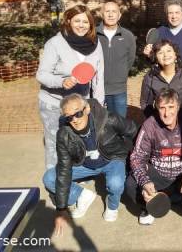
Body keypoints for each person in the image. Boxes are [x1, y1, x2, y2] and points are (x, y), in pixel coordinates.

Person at [42, 94, 137, 236]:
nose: (74, 120)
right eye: (69, 117)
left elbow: (133, 131)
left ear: (86, 109)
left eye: (78, 114)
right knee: (49, 178)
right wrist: (61, 209)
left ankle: (112, 206)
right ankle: (81, 195)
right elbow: (63, 170)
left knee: (116, 183)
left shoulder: (108, 119)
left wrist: (135, 158)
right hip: (83, 164)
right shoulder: (64, 134)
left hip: (111, 159)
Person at [36, 5, 104, 170]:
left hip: (80, 105)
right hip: (54, 104)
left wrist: (99, 104)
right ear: (68, 21)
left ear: (91, 24)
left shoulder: (95, 44)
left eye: (85, 22)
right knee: (54, 144)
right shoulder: (55, 43)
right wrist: (61, 82)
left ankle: (73, 175)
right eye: (77, 21)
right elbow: (41, 74)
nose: (81, 25)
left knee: (76, 141)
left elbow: (99, 77)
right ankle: (54, 179)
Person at [125, 88, 182, 225]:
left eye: (171, 107)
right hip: (159, 174)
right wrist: (144, 182)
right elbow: (136, 158)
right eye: (162, 108)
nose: (167, 113)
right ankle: (148, 206)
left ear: (178, 107)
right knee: (131, 183)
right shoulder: (150, 125)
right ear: (157, 108)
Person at [140, 40, 182, 118]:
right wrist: (154, 121)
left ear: (175, 54)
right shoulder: (150, 77)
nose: (165, 55)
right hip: (161, 119)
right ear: (155, 57)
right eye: (160, 52)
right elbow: (145, 103)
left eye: (169, 51)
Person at [143, 0, 182, 73]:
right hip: (165, 79)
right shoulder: (159, 32)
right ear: (166, 15)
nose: (174, 16)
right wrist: (148, 55)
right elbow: (154, 60)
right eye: (170, 13)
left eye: (177, 12)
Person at [97, 1, 136, 118]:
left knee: (120, 124)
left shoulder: (128, 36)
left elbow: (130, 60)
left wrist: (120, 74)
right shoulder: (92, 34)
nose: (110, 14)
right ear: (102, 14)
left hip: (119, 90)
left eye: (114, 11)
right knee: (99, 123)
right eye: (107, 11)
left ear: (119, 15)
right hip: (97, 89)